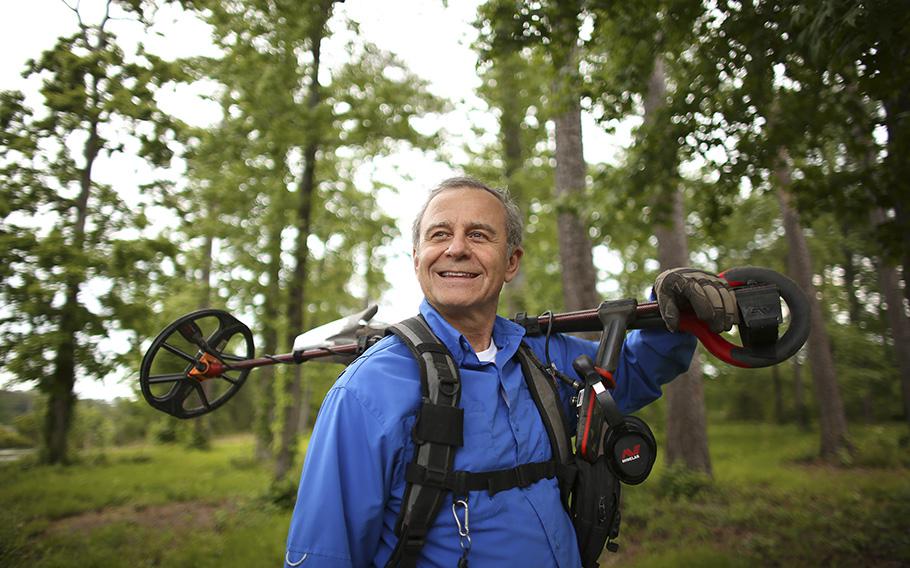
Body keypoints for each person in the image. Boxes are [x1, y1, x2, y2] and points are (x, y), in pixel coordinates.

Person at [285, 177, 737, 567]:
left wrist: (677, 316)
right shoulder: (367, 390)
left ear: (511, 262)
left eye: (479, 235)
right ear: (418, 257)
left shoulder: (545, 357)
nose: (456, 248)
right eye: (439, 234)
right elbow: (325, 552)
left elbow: (632, 369)